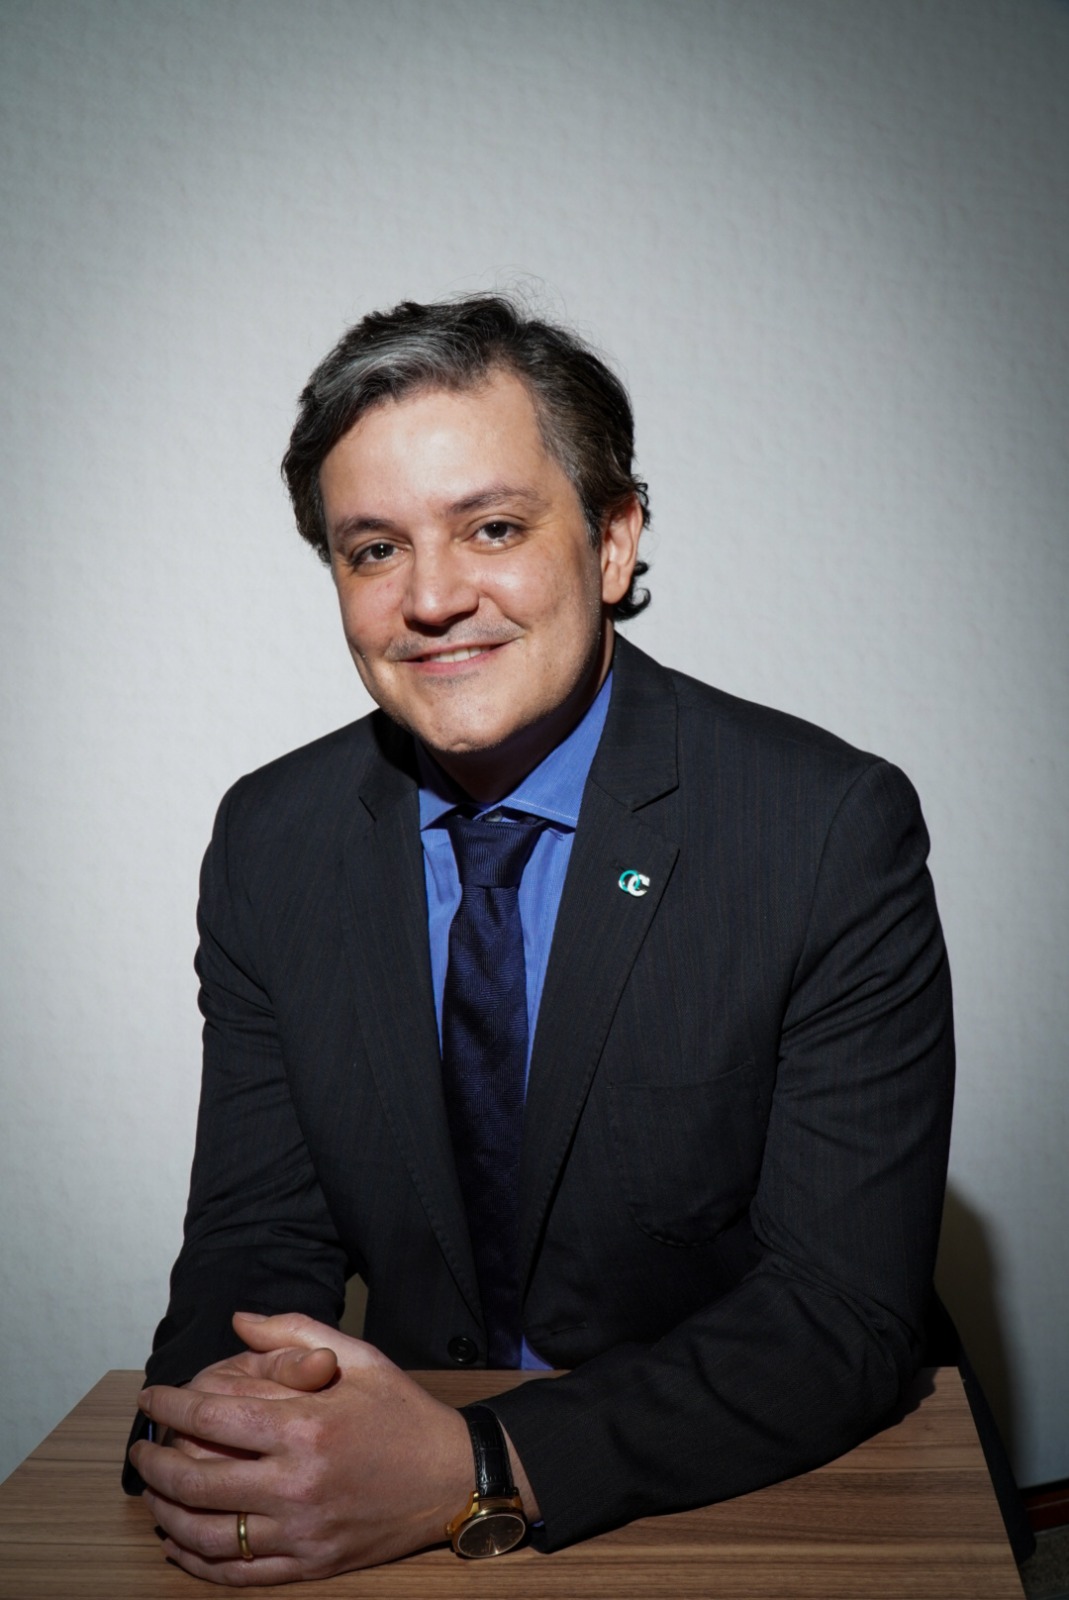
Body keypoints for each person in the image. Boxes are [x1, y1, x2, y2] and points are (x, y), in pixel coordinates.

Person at [124, 293, 955, 1585]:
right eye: (374, 549)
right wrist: (224, 1440)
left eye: (493, 528)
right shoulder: (270, 841)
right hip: (393, 1486)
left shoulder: (823, 829)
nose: (432, 598)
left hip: (733, 1488)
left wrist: (476, 1465)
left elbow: (841, 1316)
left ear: (613, 541)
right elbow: (254, 1245)